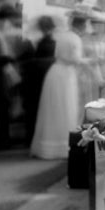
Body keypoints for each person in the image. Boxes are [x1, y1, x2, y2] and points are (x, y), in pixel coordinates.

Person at [30, 15, 86, 159]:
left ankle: (48, 145)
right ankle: (63, 146)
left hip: (54, 72)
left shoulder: (62, 36)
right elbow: (76, 59)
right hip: (66, 75)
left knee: (52, 109)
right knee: (66, 108)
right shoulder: (75, 38)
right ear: (82, 26)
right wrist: (92, 61)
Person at [0, 4, 32, 149]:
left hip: (7, 71)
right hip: (1, 72)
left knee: (5, 105)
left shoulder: (2, 32)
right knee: (2, 105)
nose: (12, 22)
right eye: (12, 18)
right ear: (6, 18)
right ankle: (2, 139)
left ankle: (3, 137)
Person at [23, 15, 57, 145]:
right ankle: (38, 136)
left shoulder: (35, 40)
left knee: (35, 108)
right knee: (43, 107)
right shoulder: (52, 41)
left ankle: (32, 136)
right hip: (45, 76)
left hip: (36, 77)